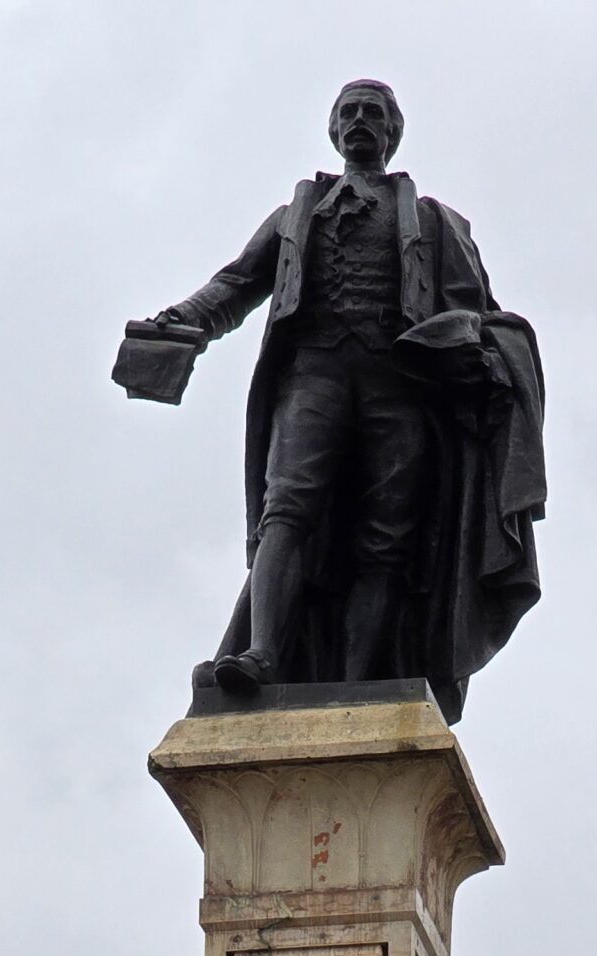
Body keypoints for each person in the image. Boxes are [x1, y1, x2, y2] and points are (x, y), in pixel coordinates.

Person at [142, 79, 545, 718]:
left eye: (373, 112)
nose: (360, 120)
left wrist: (473, 345)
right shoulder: (295, 216)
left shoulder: (435, 220)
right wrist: (181, 320)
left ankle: (360, 680)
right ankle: (261, 654)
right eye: (349, 111)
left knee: (386, 538)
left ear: (392, 132)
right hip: (314, 374)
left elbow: (474, 307)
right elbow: (235, 285)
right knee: (286, 507)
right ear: (333, 130)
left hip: (400, 383)